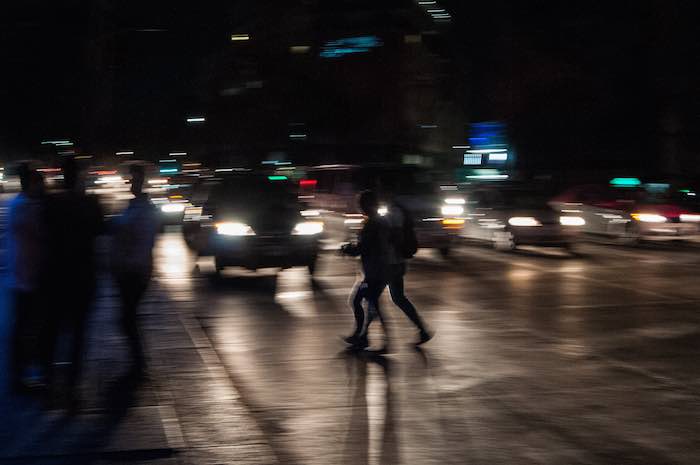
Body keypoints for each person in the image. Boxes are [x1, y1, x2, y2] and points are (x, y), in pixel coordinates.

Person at [42, 156, 104, 404]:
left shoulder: (51, 203)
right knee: (78, 333)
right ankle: (72, 387)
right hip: (83, 276)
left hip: (56, 276)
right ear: (79, 176)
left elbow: (45, 233)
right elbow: (100, 232)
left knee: (53, 331)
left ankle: (49, 385)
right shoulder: (90, 203)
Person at [110, 164, 159, 377]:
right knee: (128, 316)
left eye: (135, 180)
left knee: (127, 316)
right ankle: (138, 359)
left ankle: (139, 361)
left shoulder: (143, 211)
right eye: (131, 180)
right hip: (133, 269)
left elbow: (133, 235)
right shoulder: (136, 208)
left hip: (135, 270)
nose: (132, 184)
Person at [8, 165, 47, 391]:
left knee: (23, 328)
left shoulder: (18, 205)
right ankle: (22, 374)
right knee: (26, 329)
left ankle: (20, 373)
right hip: (27, 278)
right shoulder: (27, 208)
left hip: (21, 276)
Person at [341, 190, 391, 350]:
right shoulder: (380, 221)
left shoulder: (372, 224)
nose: (359, 208)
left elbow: (363, 248)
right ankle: (364, 337)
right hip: (379, 271)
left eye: (361, 204)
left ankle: (369, 338)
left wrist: (347, 249)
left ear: (368, 205)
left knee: (359, 301)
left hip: (374, 273)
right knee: (372, 305)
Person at [384, 197, 433, 345]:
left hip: (392, 263)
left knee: (372, 298)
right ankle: (422, 330)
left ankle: (375, 338)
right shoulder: (397, 210)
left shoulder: (395, 212)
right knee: (398, 298)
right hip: (395, 262)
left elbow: (396, 237)